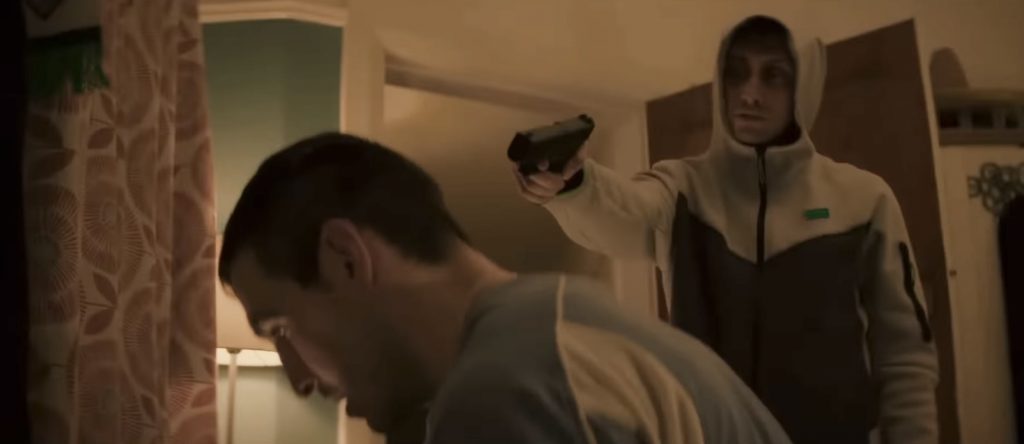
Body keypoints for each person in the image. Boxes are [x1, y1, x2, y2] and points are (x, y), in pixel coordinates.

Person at [513, 15, 939, 444]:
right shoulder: (682, 188)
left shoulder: (865, 199)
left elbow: (905, 355)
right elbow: (625, 208)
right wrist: (573, 186)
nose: (750, 94)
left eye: (773, 76)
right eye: (736, 74)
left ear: (803, 85)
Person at [217, 132, 794, 443]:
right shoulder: (568, 325)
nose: (297, 378)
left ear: (346, 258)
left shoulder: (508, 389)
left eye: (282, 328)